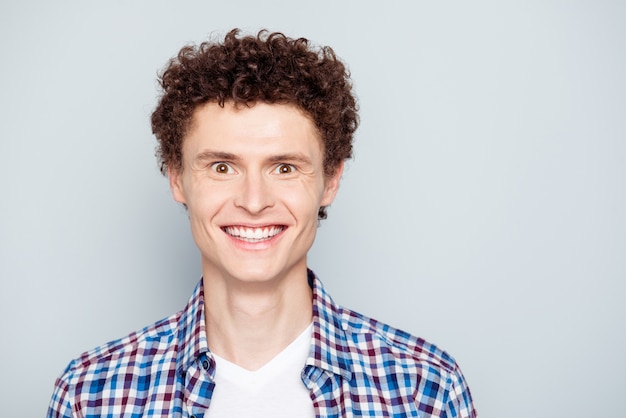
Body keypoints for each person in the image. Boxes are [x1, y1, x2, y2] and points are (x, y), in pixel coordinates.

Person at [47, 29, 476, 418]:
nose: (253, 202)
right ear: (178, 178)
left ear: (330, 181)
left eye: (285, 168)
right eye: (221, 167)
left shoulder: (425, 391)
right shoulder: (90, 395)